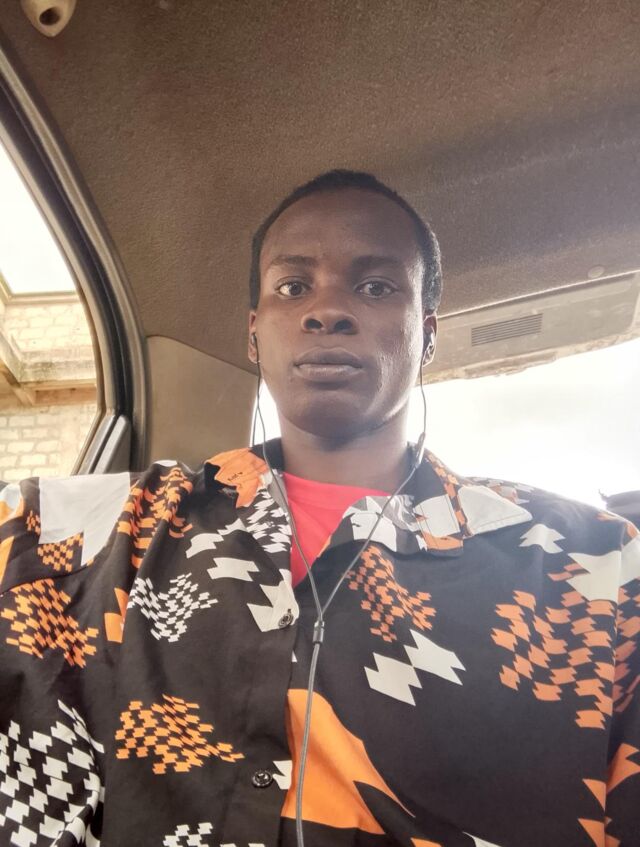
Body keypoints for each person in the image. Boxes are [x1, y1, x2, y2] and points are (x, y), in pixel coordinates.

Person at [0, 170, 638, 847]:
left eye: (376, 287)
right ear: (254, 335)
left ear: (426, 335)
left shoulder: (591, 561)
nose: (326, 310)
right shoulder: (91, 527)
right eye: (292, 286)